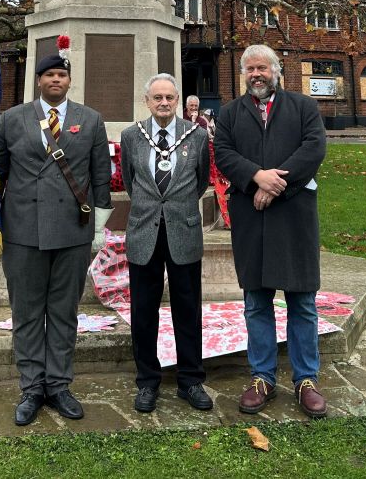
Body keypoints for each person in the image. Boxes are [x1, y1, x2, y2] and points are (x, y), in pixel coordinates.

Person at [0, 36, 112, 426]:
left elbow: (101, 177)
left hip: (72, 232)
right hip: (23, 232)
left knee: (64, 313)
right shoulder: (12, 119)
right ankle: (32, 387)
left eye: (61, 75)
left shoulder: (91, 120)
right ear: (38, 80)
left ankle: (59, 385)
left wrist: (99, 227)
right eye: (49, 75)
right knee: (28, 312)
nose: (55, 80)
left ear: (69, 80)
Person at [213, 45, 327, 419]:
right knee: (256, 302)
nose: (256, 74)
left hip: (293, 214)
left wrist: (276, 185)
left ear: (277, 71)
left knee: (302, 302)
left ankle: (306, 379)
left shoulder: (303, 107)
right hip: (251, 215)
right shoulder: (230, 113)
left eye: (262, 68)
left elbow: (314, 149)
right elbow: (223, 153)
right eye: (250, 69)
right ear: (243, 74)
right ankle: (262, 377)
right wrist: (256, 177)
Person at [120, 73, 212, 413]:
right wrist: (152, 208)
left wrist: (176, 208)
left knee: (187, 309)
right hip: (144, 232)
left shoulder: (196, 136)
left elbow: (200, 181)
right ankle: (147, 382)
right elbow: (130, 181)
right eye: (157, 97)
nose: (163, 103)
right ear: (147, 101)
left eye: (169, 97)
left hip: (183, 231)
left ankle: (191, 380)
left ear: (177, 101)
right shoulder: (132, 136)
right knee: (143, 312)